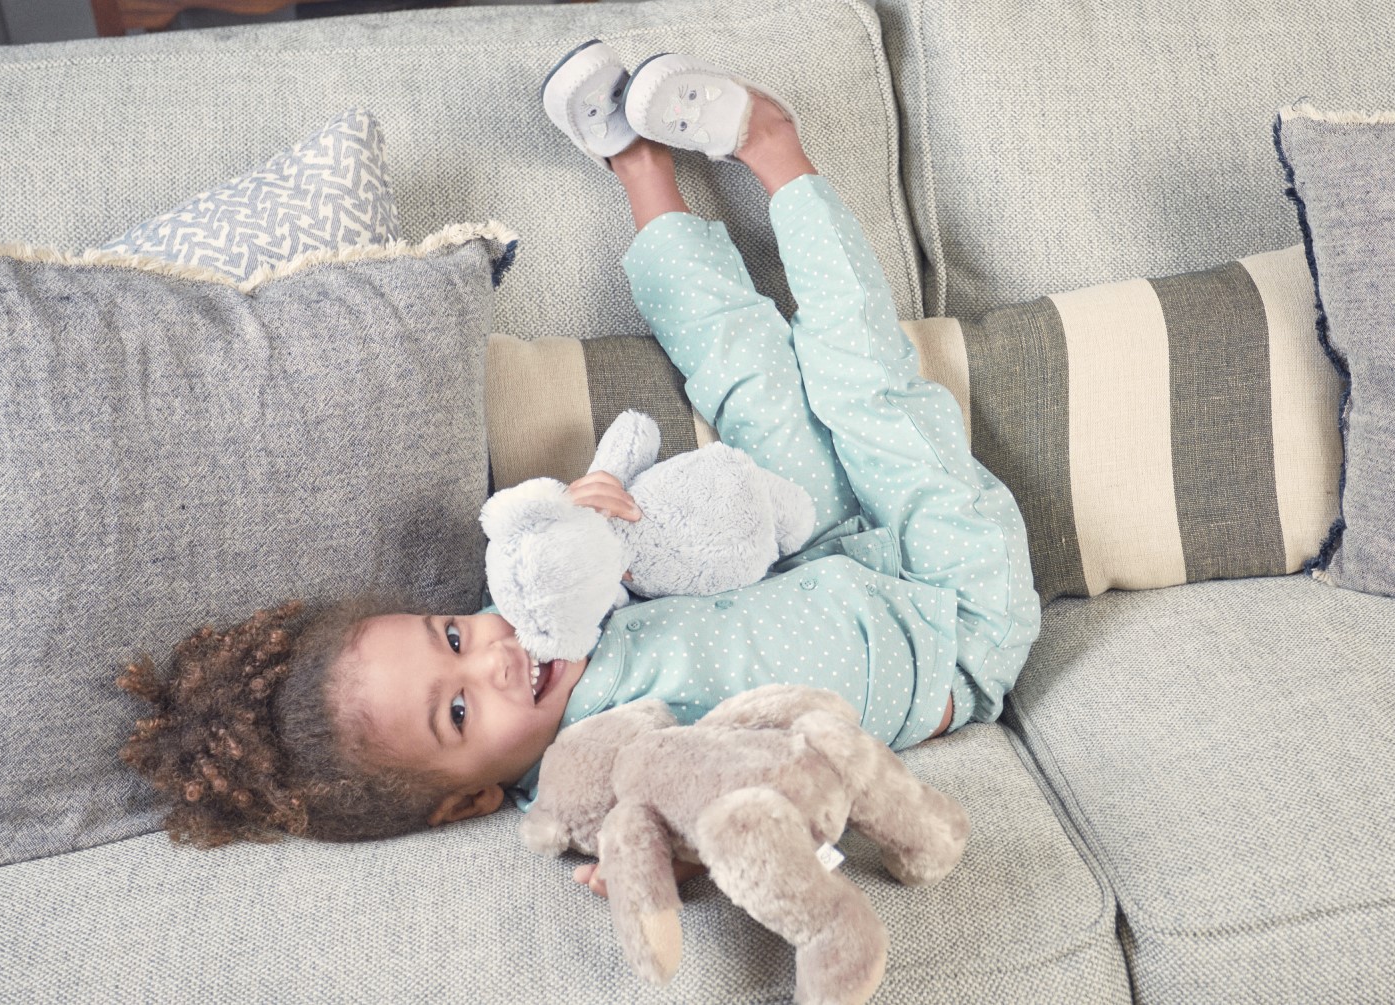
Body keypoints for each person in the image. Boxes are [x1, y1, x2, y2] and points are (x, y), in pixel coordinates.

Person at [117, 43, 1040, 892]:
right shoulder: (592, 788)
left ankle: (641, 167)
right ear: (470, 800)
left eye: (450, 637)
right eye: (460, 716)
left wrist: (603, 515)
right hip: (959, 625)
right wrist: (672, 865)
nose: (495, 659)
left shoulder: (526, 608)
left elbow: (620, 567)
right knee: (865, 388)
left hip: (811, 547)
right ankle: (775, 143)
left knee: (749, 383)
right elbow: (734, 810)